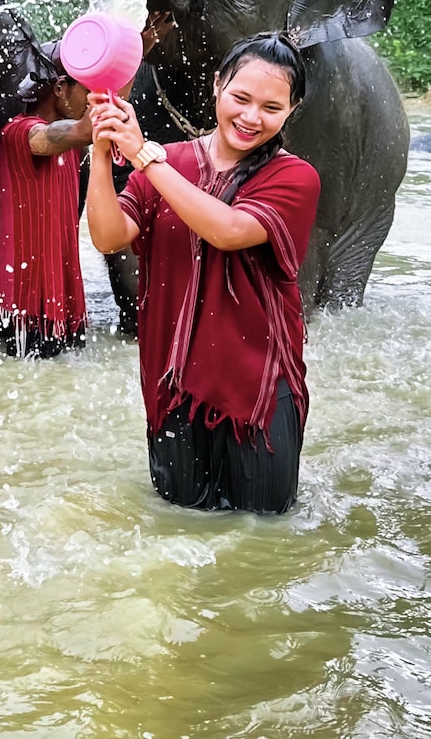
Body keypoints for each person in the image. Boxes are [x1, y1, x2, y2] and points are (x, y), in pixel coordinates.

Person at [82, 32, 321, 515]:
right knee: (178, 526)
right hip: (173, 385)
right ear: (216, 87)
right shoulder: (169, 163)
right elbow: (109, 236)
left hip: (257, 391)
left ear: (291, 111)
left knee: (265, 535)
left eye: (272, 108)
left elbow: (229, 230)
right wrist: (104, 152)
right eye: (241, 98)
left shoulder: (294, 177)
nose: (252, 117)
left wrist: (145, 155)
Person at [0, 47, 93, 356]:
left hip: (66, 304)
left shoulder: (75, 140)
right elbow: (75, 132)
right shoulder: (18, 133)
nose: (93, 101)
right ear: (61, 88)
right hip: (27, 309)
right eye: (89, 91)